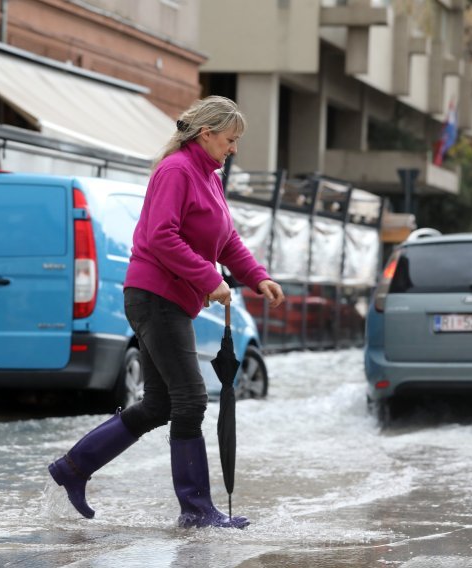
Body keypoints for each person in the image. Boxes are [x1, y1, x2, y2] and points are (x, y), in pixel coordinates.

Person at [48, 95, 285, 529]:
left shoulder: (207, 175)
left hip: (170, 298)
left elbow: (225, 238)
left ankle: (74, 468)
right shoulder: (176, 170)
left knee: (160, 404)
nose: (234, 149)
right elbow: (160, 237)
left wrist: (256, 276)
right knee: (191, 399)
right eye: (230, 140)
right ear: (206, 133)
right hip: (156, 296)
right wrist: (209, 279)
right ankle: (196, 511)